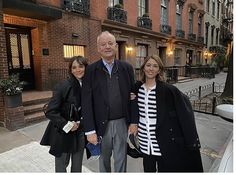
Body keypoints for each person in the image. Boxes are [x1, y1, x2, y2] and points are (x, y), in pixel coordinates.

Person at [134, 55, 203, 172]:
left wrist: (191, 140)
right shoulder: (137, 89)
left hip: (163, 143)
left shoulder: (169, 90)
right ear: (143, 68)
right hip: (145, 142)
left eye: (155, 66)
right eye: (148, 65)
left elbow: (185, 113)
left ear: (159, 70)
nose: (151, 69)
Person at [81, 31, 138, 172]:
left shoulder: (127, 68)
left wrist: (134, 121)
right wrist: (89, 130)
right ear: (98, 48)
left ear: (116, 46)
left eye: (110, 43)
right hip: (101, 124)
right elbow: (86, 102)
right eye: (103, 44)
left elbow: (133, 97)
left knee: (121, 158)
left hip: (122, 123)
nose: (107, 46)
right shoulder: (90, 71)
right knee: (104, 159)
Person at [40, 56, 88, 172]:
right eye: (74, 67)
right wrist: (67, 125)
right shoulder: (63, 86)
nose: (78, 70)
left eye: (81, 66)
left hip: (80, 132)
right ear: (70, 70)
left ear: (86, 67)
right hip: (63, 133)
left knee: (77, 167)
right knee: (61, 166)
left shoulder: (88, 85)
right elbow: (50, 111)